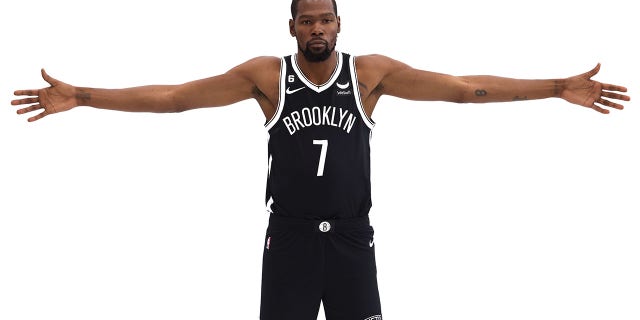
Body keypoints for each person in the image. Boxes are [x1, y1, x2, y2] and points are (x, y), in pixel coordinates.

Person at [10, 0, 630, 319]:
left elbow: (465, 88)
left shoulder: (371, 76)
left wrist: (554, 87)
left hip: (353, 239)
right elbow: (175, 99)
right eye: (306, 18)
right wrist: (84, 97)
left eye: (325, 18)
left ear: (339, 25)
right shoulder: (267, 77)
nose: (316, 27)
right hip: (292, 237)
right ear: (292, 27)